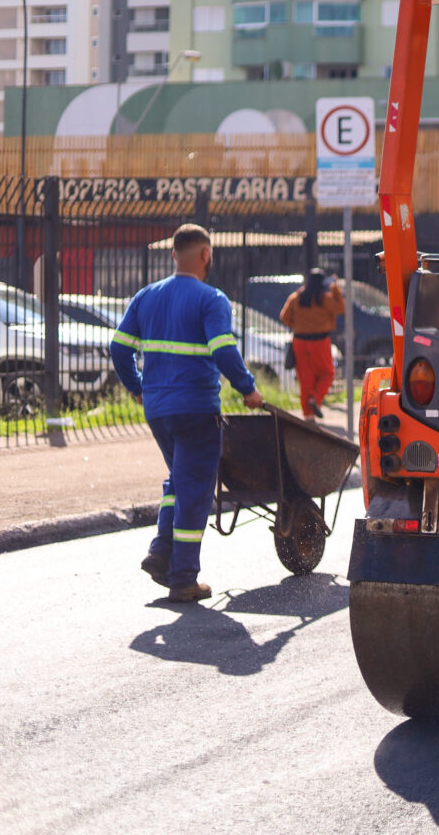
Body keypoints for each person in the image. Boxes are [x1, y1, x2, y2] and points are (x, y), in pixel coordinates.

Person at [110, 223, 264, 602]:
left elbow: (117, 348)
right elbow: (223, 350)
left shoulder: (146, 295)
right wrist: (248, 389)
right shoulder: (212, 298)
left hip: (159, 409)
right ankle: (183, 579)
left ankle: (161, 551)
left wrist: (137, 388)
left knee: (178, 481)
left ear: (173, 254)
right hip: (195, 409)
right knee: (195, 491)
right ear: (207, 255)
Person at [279, 268, 346, 420]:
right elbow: (341, 308)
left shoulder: (296, 297)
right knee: (327, 373)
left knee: (305, 378)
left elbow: (284, 317)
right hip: (320, 342)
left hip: (300, 341)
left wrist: (297, 325)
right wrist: (335, 288)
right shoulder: (325, 299)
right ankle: (315, 399)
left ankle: (308, 416)